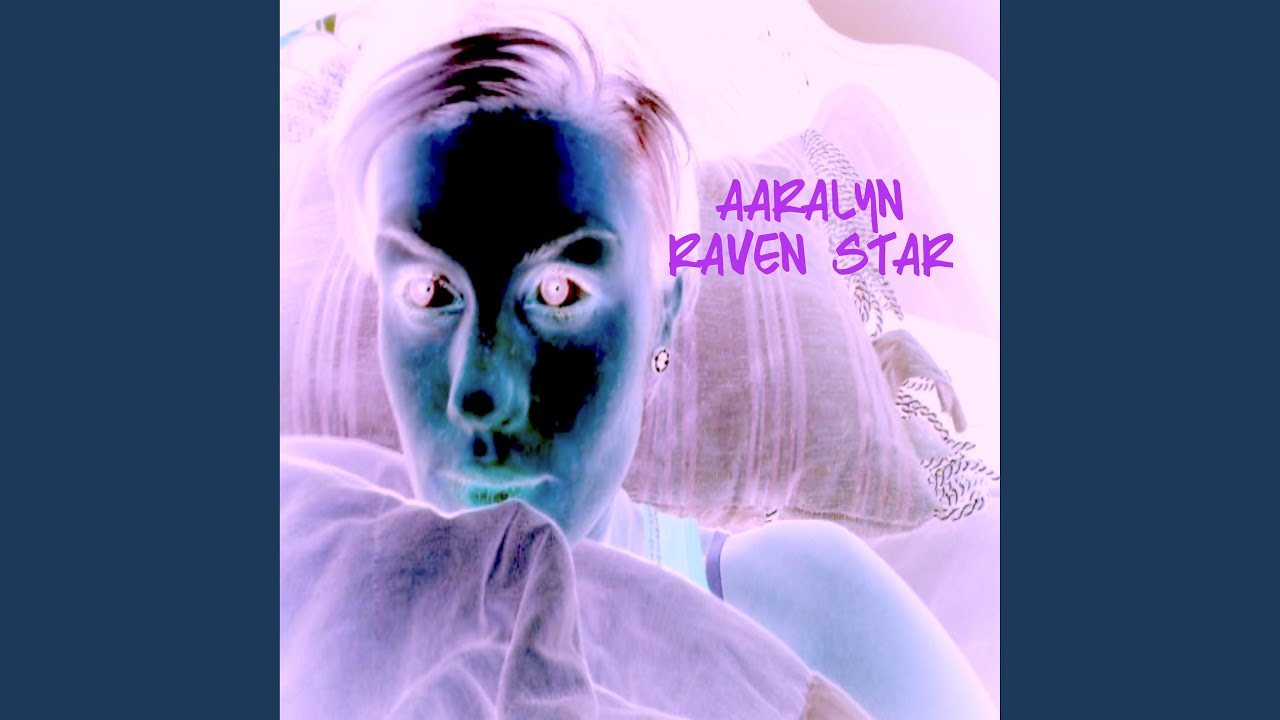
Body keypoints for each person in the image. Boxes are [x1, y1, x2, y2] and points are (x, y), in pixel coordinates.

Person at [321, 17, 995, 720]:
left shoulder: (803, 610)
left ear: (661, 312)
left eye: (559, 293)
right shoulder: (317, 627)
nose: (481, 391)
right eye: (431, 290)